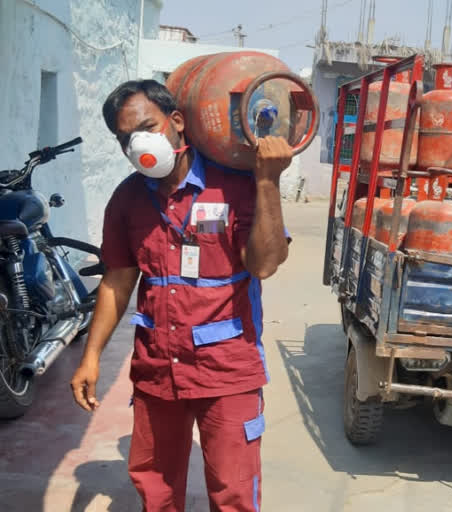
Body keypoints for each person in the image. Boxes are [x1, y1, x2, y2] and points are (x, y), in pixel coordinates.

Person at [70, 79, 292, 511]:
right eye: (125, 138)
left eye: (147, 127)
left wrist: (268, 183)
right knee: (156, 489)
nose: (139, 144)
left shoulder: (236, 187)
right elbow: (118, 280)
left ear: (176, 122)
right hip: (157, 371)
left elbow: (264, 264)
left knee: (233, 492)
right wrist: (91, 356)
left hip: (228, 371)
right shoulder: (127, 199)